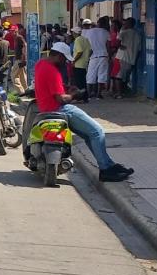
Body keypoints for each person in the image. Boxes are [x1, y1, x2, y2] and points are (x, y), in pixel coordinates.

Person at [33, 42, 133, 182]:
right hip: (60, 109)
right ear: (58, 56)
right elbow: (61, 99)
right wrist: (75, 95)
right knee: (97, 132)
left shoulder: (40, 64)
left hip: (46, 109)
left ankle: (109, 164)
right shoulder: (53, 71)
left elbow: (50, 87)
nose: (65, 62)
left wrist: (66, 87)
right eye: (64, 59)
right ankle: (105, 169)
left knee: (88, 135)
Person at [82, 16, 111, 99]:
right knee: (101, 76)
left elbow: (86, 43)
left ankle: (88, 94)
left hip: (93, 56)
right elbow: (108, 46)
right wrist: (109, 56)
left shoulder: (89, 32)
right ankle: (98, 94)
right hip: (104, 55)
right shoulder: (106, 32)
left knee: (90, 75)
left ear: (98, 23)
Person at [114, 18, 140, 98]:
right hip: (131, 59)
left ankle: (119, 93)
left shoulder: (124, 32)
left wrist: (120, 46)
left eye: (125, 23)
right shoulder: (137, 34)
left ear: (128, 24)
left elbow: (117, 42)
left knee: (118, 76)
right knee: (125, 77)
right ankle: (123, 92)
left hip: (121, 57)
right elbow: (139, 49)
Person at [72, 20, 92, 94]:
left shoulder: (77, 40)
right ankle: (85, 97)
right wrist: (87, 57)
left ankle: (80, 97)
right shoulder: (85, 39)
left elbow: (80, 51)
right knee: (83, 81)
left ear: (75, 33)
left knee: (79, 82)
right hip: (84, 63)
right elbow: (91, 50)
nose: (72, 34)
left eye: (73, 32)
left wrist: (74, 60)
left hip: (78, 64)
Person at [10, 26, 28, 94]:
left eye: (12, 31)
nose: (11, 32)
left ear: (16, 31)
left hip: (20, 59)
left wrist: (24, 58)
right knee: (22, 76)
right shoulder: (16, 38)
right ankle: (26, 91)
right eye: (11, 31)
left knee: (13, 76)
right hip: (20, 59)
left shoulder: (19, 37)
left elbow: (25, 46)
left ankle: (21, 92)